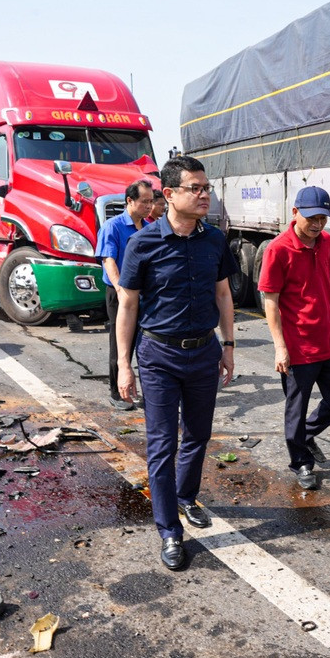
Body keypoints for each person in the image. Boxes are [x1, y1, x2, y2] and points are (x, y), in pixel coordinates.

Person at [115, 155, 236, 571]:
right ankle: (169, 531)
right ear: (168, 195)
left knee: (199, 435)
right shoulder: (142, 244)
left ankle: (186, 498)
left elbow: (223, 295)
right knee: (162, 445)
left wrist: (229, 345)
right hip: (159, 356)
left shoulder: (215, 241)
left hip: (203, 352)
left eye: (207, 188)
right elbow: (127, 306)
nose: (205, 195)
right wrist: (123, 365)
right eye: (195, 188)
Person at [258, 186, 330, 491]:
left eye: (323, 219)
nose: (318, 225)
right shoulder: (278, 249)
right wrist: (280, 347)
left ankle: (305, 435)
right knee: (296, 409)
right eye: (312, 218)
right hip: (298, 346)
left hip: (329, 339)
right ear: (295, 212)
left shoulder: (325, 242)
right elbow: (270, 300)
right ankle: (301, 461)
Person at [95, 179, 154, 410]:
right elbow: (109, 259)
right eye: (144, 202)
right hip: (119, 293)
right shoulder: (113, 226)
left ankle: (147, 392)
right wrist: (120, 290)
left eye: (151, 202)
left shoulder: (149, 227)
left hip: (144, 294)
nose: (149, 207)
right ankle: (116, 393)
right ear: (130, 201)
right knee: (120, 344)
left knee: (147, 342)